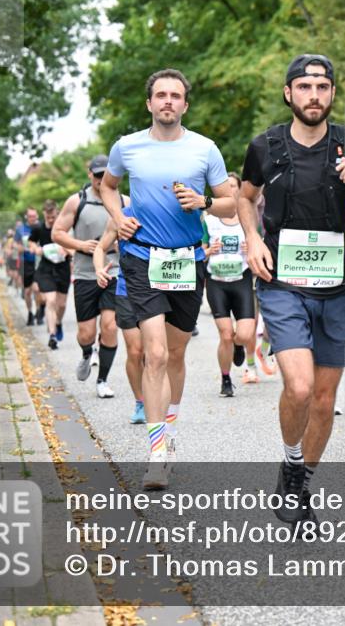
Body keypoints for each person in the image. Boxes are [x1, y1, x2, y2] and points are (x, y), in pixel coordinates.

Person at [238, 53, 345, 523]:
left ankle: (299, 482)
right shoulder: (264, 146)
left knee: (326, 401)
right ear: (289, 93)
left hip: (337, 286)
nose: (315, 95)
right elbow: (246, 198)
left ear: (332, 94)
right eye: (305, 87)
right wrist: (251, 239)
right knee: (301, 385)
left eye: (323, 87)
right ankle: (292, 462)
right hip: (281, 280)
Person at [100, 68, 237, 490]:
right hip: (141, 259)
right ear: (149, 103)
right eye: (160, 95)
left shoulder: (205, 149)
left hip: (188, 260)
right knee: (153, 355)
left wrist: (204, 202)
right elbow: (108, 186)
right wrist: (119, 218)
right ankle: (156, 452)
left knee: (176, 354)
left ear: (185, 105)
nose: (167, 102)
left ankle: (169, 430)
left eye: (175, 96)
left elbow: (231, 205)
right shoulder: (127, 146)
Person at [53, 155, 128, 399]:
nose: (100, 179)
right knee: (86, 332)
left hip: (114, 271)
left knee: (109, 326)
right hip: (85, 273)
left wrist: (119, 244)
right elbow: (57, 233)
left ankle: (102, 380)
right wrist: (82, 245)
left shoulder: (124, 201)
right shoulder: (77, 202)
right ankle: (87, 353)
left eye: (105, 175)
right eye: (97, 175)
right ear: (89, 175)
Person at [203, 172, 260, 395]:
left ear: (238, 190)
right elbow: (198, 251)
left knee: (245, 335)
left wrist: (253, 246)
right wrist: (209, 250)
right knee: (225, 334)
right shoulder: (208, 219)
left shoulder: (248, 218)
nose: (230, 189)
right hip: (217, 282)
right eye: (225, 186)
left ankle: (238, 346)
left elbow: (261, 243)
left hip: (241, 280)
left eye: (233, 186)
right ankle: (226, 379)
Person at [94, 207, 147, 424]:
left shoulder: (166, 209)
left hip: (160, 288)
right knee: (135, 351)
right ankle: (141, 402)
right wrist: (99, 269)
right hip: (127, 289)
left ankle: (161, 399)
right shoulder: (121, 215)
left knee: (156, 353)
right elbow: (100, 247)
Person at [29, 200, 71, 350]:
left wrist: (67, 249)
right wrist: (36, 249)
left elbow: (74, 243)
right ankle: (52, 335)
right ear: (44, 215)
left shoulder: (65, 227)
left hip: (63, 268)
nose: (51, 220)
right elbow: (31, 242)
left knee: (62, 304)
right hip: (46, 268)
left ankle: (58, 322)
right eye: (48, 217)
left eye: (53, 216)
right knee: (51, 301)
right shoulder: (38, 228)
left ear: (58, 213)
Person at [16, 209, 43, 326]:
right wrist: (19, 248)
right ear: (26, 217)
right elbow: (15, 243)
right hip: (26, 262)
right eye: (30, 216)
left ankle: (38, 311)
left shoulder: (41, 227)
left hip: (39, 262)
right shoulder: (21, 229)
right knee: (27, 292)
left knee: (37, 289)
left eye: (34, 216)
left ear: (37, 216)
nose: (32, 218)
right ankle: (30, 313)